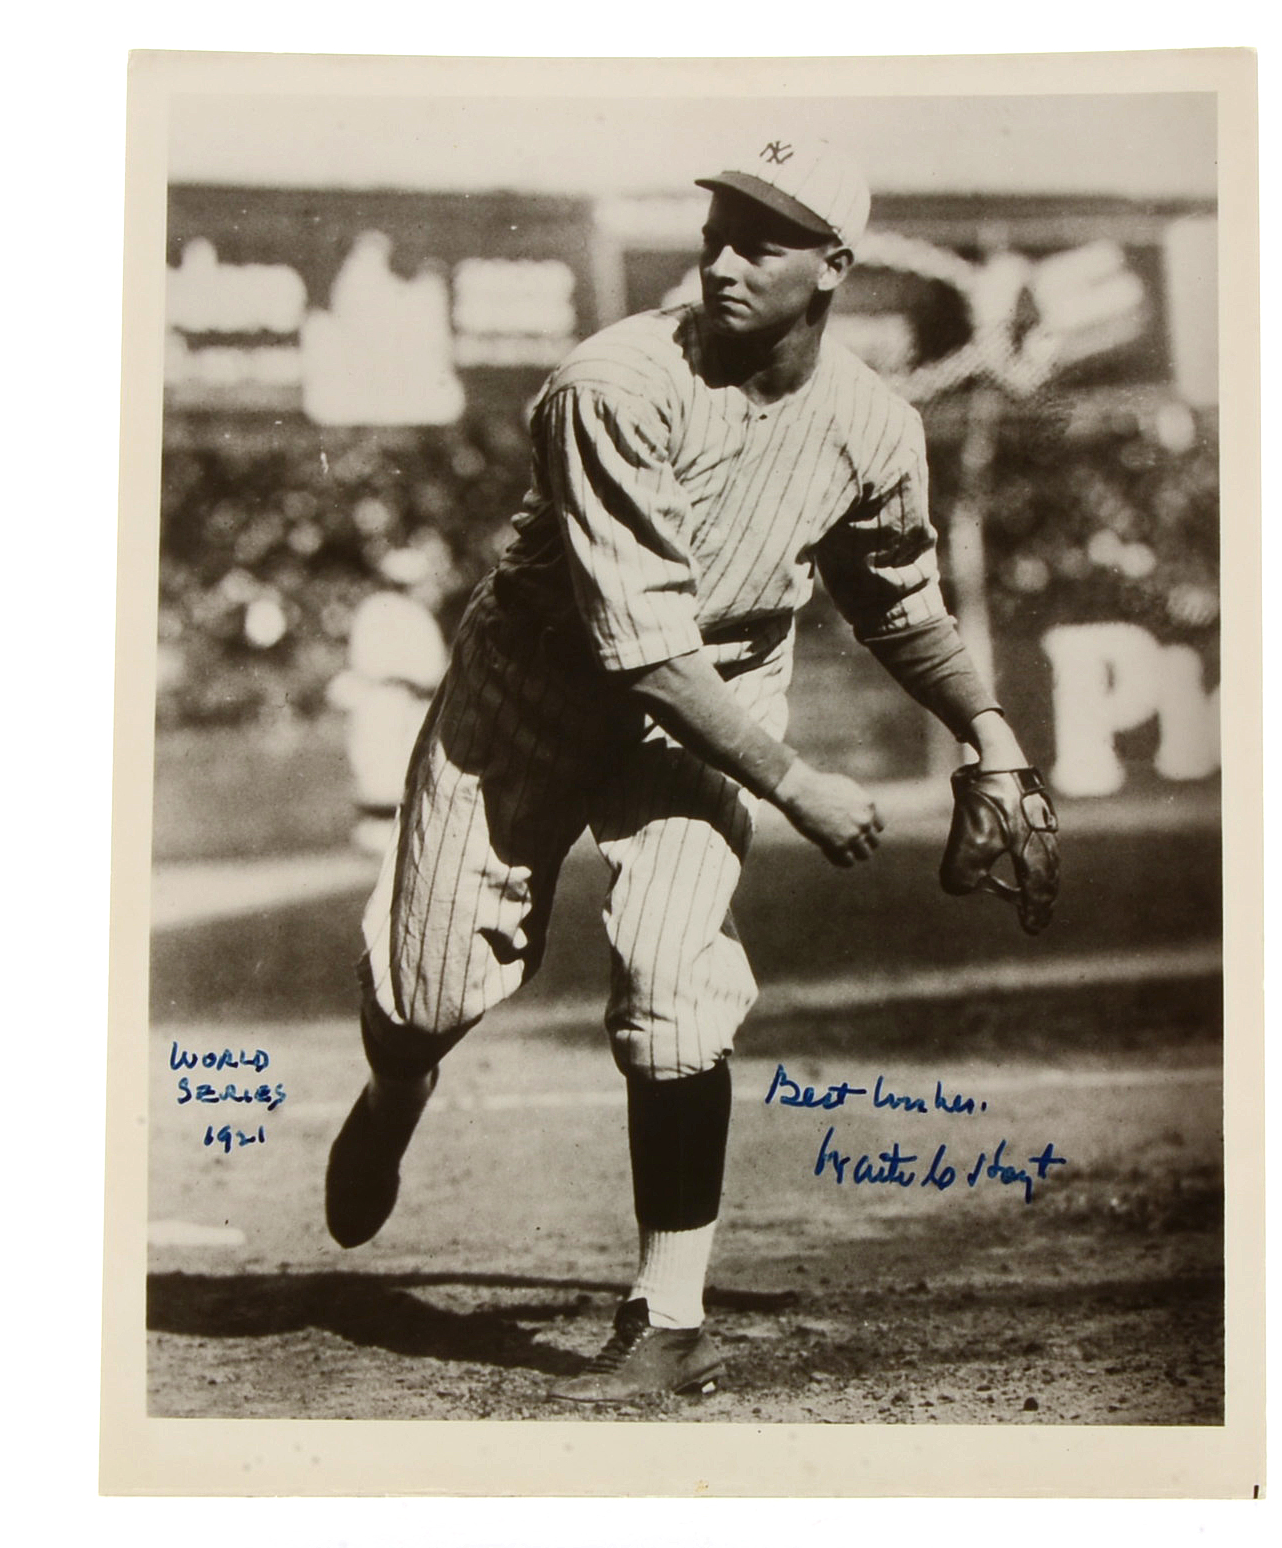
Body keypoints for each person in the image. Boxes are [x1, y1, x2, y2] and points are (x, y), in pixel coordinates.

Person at [325, 136, 1038, 1403]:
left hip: (720, 690)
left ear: (833, 266)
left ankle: (668, 1314)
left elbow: (902, 606)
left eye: (763, 239)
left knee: (672, 974)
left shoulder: (873, 424)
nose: (722, 258)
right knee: (429, 993)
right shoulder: (611, 384)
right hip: (537, 684)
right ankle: (396, 1085)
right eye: (716, 228)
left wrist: (994, 733)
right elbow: (639, 649)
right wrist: (796, 783)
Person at [327, 543, 450, 853]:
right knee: (380, 763)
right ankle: (379, 831)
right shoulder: (385, 610)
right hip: (385, 699)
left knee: (399, 762)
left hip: (403, 700)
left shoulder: (405, 612)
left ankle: (394, 830)